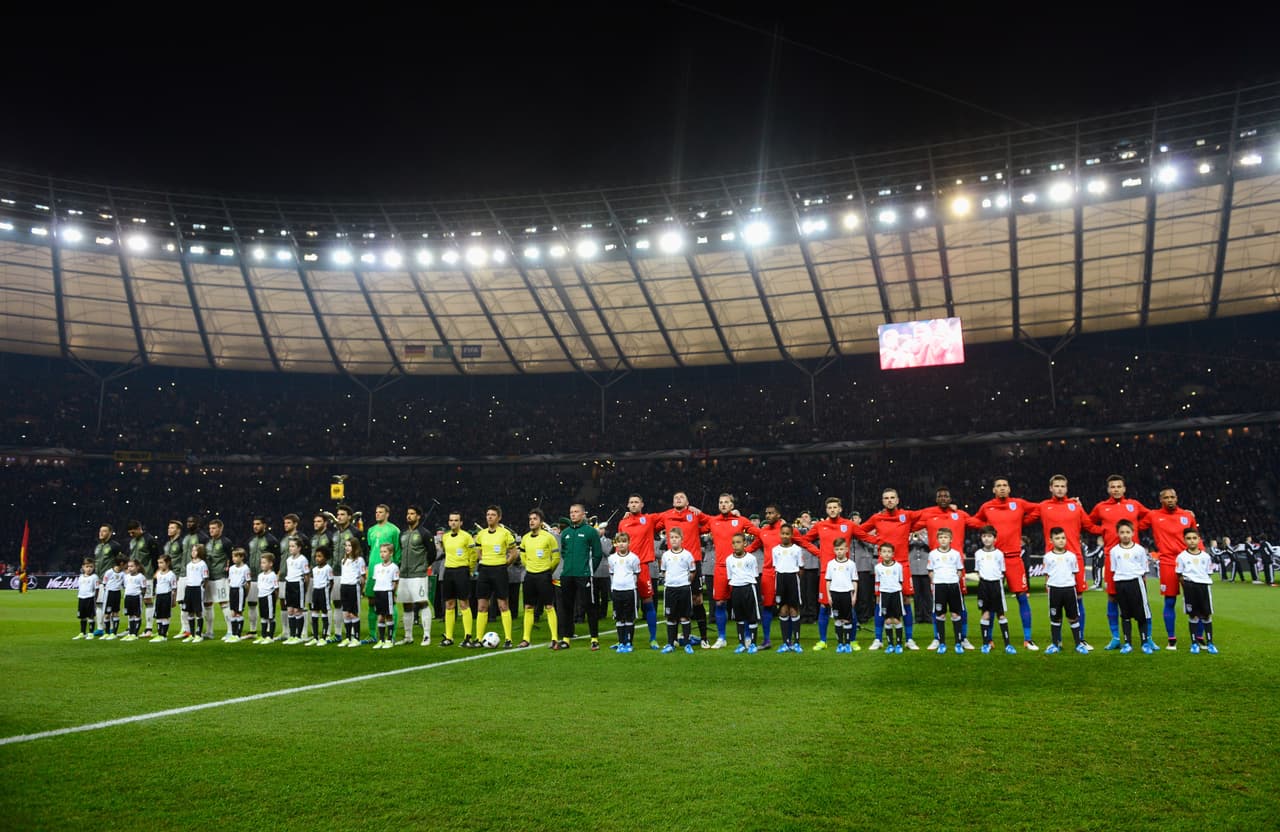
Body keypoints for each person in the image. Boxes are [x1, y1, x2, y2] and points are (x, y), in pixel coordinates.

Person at [967, 477, 1039, 651]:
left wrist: (1023, 521)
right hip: (993, 557)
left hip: (1014, 558)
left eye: (1005, 485)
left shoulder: (1018, 504)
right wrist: (987, 526)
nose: (1002, 488)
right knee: (991, 601)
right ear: (993, 490)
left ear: (1009, 488)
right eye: (998, 486)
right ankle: (989, 640)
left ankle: (1027, 639)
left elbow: (1038, 510)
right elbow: (974, 521)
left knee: (1022, 597)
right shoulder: (987, 506)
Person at [1034, 475, 1103, 650]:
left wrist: (1110, 530)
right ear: (1050, 488)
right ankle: (1056, 641)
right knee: (1055, 601)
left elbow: (1090, 526)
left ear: (1067, 488)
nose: (1059, 489)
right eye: (1056, 486)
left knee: (1078, 599)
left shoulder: (1075, 507)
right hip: (1053, 560)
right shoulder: (1043, 506)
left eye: (1062, 486)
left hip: (1074, 559)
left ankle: (1080, 639)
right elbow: (1023, 518)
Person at [1089, 474, 1150, 650]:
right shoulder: (1101, 507)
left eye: (1119, 486)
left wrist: (1138, 527)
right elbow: (1087, 523)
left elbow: (1150, 516)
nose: (1116, 489)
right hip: (1111, 556)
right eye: (1112, 487)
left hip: (1133, 558)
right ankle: (1116, 637)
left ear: (1124, 488)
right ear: (1108, 489)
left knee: (1141, 598)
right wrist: (1104, 531)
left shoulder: (1134, 505)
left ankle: (1148, 638)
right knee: (1112, 596)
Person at [747, 504, 819, 649]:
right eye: (766, 513)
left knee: (790, 607)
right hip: (768, 573)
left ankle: (791, 640)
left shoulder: (787, 530)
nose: (768, 516)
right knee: (767, 606)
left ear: (778, 514)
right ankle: (767, 640)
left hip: (786, 574)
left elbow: (804, 543)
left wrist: (821, 554)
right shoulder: (763, 531)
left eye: (771, 513)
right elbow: (753, 547)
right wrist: (735, 554)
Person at [805, 496, 870, 651]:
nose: (832, 510)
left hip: (845, 572)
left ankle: (852, 640)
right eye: (830, 508)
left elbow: (866, 537)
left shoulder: (849, 525)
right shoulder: (820, 525)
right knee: (824, 607)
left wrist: (883, 540)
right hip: (826, 572)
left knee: (849, 608)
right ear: (826, 510)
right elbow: (805, 540)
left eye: (835, 507)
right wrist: (819, 552)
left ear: (840, 509)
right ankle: (823, 640)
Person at [857, 489, 919, 651]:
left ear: (898, 500)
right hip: (882, 566)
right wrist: (876, 540)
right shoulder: (877, 517)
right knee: (879, 600)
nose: (889, 500)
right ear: (882, 501)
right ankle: (878, 639)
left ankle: (909, 639)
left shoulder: (907, 515)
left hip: (902, 564)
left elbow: (925, 516)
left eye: (892, 498)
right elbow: (860, 531)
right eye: (886, 498)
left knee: (906, 600)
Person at [1139, 487, 1198, 649]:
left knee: (1195, 601)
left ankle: (1199, 637)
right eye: (1166, 497)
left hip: (1188, 562)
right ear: (1161, 500)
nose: (1170, 500)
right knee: (1170, 601)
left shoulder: (1187, 516)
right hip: (1167, 563)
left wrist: (1202, 557)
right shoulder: (1154, 515)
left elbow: (1196, 538)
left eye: (1172, 497)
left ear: (1177, 498)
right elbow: (1135, 527)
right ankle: (1171, 638)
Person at [703, 493, 763, 649]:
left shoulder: (740, 521)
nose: (723, 504)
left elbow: (760, 534)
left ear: (732, 505)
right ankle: (722, 637)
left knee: (744, 605)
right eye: (720, 502)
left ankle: (748, 637)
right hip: (721, 568)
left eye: (726, 502)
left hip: (739, 568)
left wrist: (747, 550)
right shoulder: (712, 521)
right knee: (720, 603)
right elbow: (695, 528)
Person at [655, 492, 711, 645]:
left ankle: (704, 638)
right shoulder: (666, 515)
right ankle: (674, 638)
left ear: (688, 502)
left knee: (697, 600)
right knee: (676, 601)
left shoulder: (694, 513)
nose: (678, 499)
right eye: (675, 497)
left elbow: (711, 522)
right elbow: (650, 523)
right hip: (673, 563)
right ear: (672, 502)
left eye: (682, 497)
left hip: (693, 561)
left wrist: (700, 527)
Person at [616, 494, 663, 648]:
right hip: (625, 568)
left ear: (642, 504)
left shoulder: (649, 519)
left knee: (648, 603)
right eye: (631, 502)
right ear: (628, 505)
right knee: (624, 605)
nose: (634, 504)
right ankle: (623, 639)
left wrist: (690, 509)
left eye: (637, 502)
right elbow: (619, 543)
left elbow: (669, 515)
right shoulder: (623, 523)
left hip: (642, 567)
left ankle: (653, 638)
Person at [558, 503, 604, 651]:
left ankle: (594, 638)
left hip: (584, 575)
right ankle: (566, 638)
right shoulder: (565, 533)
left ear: (583, 514)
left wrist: (589, 570)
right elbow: (563, 552)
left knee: (589, 606)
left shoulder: (590, 532)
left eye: (576, 512)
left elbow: (597, 554)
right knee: (567, 607)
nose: (573, 514)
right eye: (571, 512)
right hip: (567, 575)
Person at [473, 505, 518, 649]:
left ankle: (508, 639)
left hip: (499, 570)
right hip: (485, 570)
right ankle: (479, 639)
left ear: (499, 517)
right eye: (488, 514)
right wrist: (483, 560)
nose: (489, 517)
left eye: (493, 514)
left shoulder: (505, 534)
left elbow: (514, 553)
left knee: (503, 605)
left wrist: (505, 563)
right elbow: (478, 551)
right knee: (482, 606)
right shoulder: (481, 534)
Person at [1110, 520, 1156, 655]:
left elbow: (1144, 569)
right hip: (1120, 583)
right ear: (1118, 534)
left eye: (1127, 532)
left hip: (1136, 582)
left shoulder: (1139, 550)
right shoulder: (1114, 551)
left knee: (1141, 614)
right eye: (1122, 532)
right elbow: (1114, 569)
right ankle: (1127, 643)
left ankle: (1144, 643)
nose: (1125, 535)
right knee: (1125, 615)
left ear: (1133, 533)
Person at [519, 508, 560, 649]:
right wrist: (529, 566)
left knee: (549, 606)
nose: (531, 521)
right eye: (530, 519)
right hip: (529, 575)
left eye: (534, 519)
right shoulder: (525, 538)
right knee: (528, 607)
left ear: (541, 522)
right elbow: (522, 556)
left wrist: (547, 569)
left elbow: (556, 558)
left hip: (544, 575)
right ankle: (525, 639)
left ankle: (555, 638)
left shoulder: (549, 537)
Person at [1042, 528, 1087, 655]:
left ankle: (1078, 644)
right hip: (1054, 590)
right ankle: (1055, 644)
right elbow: (1047, 575)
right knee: (1055, 618)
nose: (1061, 541)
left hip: (1069, 589)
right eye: (1057, 538)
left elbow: (1074, 572)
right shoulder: (1048, 557)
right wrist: (1048, 588)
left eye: (1063, 538)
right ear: (1051, 540)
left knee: (1073, 617)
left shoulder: (1071, 556)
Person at [1175, 529, 1219, 654]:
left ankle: (1210, 643)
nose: (1192, 541)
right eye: (1189, 538)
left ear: (1199, 540)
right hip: (1190, 588)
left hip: (1204, 587)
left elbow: (1209, 572)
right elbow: (1179, 575)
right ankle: (1194, 643)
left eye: (1194, 538)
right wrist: (1188, 586)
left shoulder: (1205, 556)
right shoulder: (1182, 557)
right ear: (1184, 540)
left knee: (1206, 614)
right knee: (1192, 615)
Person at [398, 505, 437, 646]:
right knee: (406, 605)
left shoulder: (425, 533)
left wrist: (424, 565)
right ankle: (408, 636)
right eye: (408, 513)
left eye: (412, 514)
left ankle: (426, 636)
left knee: (422, 602)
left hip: (418, 574)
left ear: (418, 516)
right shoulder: (402, 534)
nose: (409, 516)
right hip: (404, 574)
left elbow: (432, 553)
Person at [973, 526, 1014, 653]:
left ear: (995, 539)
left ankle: (1008, 644)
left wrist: (999, 583)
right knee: (985, 614)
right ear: (981, 538)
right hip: (984, 586)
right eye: (984, 536)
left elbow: (1002, 571)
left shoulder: (999, 554)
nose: (987, 539)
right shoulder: (978, 553)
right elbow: (978, 571)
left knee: (1000, 615)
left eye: (989, 536)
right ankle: (986, 644)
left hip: (996, 585)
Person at [439, 511, 478, 647]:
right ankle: (449, 637)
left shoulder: (467, 537)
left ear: (461, 523)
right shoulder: (445, 537)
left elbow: (473, 555)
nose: (453, 522)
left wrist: (470, 569)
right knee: (449, 604)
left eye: (456, 520)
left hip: (462, 571)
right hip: (448, 571)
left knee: (463, 604)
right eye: (451, 520)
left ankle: (468, 636)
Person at [364, 504, 401, 641]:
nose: (377, 514)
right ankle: (373, 635)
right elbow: (370, 549)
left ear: (387, 514)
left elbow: (397, 551)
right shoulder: (371, 530)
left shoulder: (394, 530)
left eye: (380, 512)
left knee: (391, 602)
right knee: (372, 601)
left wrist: (394, 568)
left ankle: (392, 635)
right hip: (374, 570)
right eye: (376, 512)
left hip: (388, 571)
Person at [771, 521, 809, 652]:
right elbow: (775, 566)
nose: (785, 536)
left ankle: (796, 642)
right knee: (783, 610)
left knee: (794, 609)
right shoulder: (775, 550)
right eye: (783, 533)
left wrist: (797, 579)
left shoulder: (797, 549)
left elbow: (801, 568)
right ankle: (785, 642)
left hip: (793, 578)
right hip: (780, 579)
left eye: (787, 534)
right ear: (780, 534)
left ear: (792, 535)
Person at [927, 528, 965, 655]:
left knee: (955, 614)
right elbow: (930, 570)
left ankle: (958, 643)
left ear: (951, 539)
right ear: (937, 540)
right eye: (941, 537)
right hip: (939, 587)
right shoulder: (933, 554)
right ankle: (941, 643)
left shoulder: (955, 554)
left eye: (946, 537)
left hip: (953, 586)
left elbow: (960, 570)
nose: (943, 539)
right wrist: (936, 581)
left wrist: (954, 580)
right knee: (940, 615)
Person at [659, 527, 697, 654]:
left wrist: (685, 582)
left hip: (684, 589)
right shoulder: (666, 555)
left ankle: (687, 644)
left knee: (684, 617)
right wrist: (670, 581)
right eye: (672, 538)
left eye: (676, 537)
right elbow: (664, 571)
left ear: (682, 539)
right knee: (671, 617)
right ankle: (670, 644)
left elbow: (692, 572)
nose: (674, 540)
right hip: (670, 589)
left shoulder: (687, 555)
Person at [246, 515, 282, 637]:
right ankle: (253, 630)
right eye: (254, 524)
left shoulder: (271, 540)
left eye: (258, 524)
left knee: (267, 605)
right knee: (251, 604)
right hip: (253, 577)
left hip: (267, 578)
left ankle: (269, 632)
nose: (255, 526)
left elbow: (278, 558)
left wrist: (277, 573)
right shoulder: (251, 540)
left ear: (264, 525)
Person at [726, 533, 761, 654]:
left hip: (749, 588)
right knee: (739, 618)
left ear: (745, 543)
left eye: (738, 542)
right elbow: (730, 576)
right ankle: (741, 644)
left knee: (751, 617)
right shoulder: (729, 559)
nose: (736, 545)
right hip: (736, 589)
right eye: (734, 543)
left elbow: (755, 575)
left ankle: (753, 644)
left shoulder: (751, 558)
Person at [607, 532, 641, 653]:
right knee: (619, 618)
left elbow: (636, 573)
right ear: (616, 543)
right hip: (617, 590)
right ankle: (621, 642)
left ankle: (629, 643)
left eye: (624, 541)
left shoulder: (634, 558)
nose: (621, 544)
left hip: (629, 590)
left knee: (629, 618)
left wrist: (631, 585)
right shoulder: (612, 559)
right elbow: (611, 573)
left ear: (629, 543)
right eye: (619, 541)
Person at [125, 520, 159, 637]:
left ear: (139, 528)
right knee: (133, 600)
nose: (131, 535)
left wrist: (155, 572)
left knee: (148, 600)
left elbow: (155, 557)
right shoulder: (133, 541)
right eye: (130, 533)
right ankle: (131, 627)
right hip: (133, 576)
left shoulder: (149, 539)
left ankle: (149, 629)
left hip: (147, 575)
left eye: (133, 532)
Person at [824, 538, 859, 653]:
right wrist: (829, 596)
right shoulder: (830, 564)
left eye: (841, 549)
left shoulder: (851, 564)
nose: (839, 551)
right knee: (838, 620)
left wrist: (854, 596)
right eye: (837, 549)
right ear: (834, 550)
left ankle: (848, 644)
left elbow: (854, 581)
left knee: (847, 619)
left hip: (847, 594)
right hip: (835, 594)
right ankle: (840, 644)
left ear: (846, 550)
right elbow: (828, 581)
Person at [203, 519, 233, 641]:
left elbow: (232, 558)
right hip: (209, 578)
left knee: (224, 603)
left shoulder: (226, 542)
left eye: (214, 528)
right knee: (207, 604)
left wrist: (229, 571)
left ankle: (231, 631)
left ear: (220, 529)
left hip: (221, 577)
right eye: (210, 528)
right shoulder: (207, 542)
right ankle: (209, 632)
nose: (211, 530)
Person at [874, 543, 905, 654]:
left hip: (896, 594)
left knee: (896, 620)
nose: (886, 554)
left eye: (889, 552)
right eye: (884, 551)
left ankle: (899, 644)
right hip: (884, 595)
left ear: (893, 554)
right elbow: (877, 582)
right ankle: (890, 644)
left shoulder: (898, 566)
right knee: (887, 620)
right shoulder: (878, 567)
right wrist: (878, 596)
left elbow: (901, 581)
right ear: (880, 553)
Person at [177, 516, 205, 639]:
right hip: (185, 575)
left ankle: (202, 632)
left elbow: (205, 577)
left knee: (200, 609)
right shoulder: (185, 538)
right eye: (187, 522)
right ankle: (187, 631)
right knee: (183, 605)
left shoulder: (202, 537)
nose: (189, 524)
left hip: (197, 585)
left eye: (192, 522)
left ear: (198, 523)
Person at [93, 524, 123, 635]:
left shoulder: (115, 546)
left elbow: (120, 561)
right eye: (100, 531)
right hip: (98, 578)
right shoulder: (98, 546)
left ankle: (110, 628)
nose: (101, 533)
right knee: (99, 604)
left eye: (104, 531)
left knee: (108, 605)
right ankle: (100, 628)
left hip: (109, 581)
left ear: (110, 533)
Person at [339, 538, 367, 647]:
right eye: (346, 545)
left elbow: (363, 577)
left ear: (354, 547)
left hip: (353, 587)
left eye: (349, 546)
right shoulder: (343, 561)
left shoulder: (359, 560)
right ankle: (347, 638)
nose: (347, 548)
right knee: (345, 613)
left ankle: (356, 638)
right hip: (344, 587)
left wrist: (361, 590)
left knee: (353, 613)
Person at [371, 542, 400, 649]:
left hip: (387, 592)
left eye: (385, 552)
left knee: (388, 615)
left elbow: (395, 582)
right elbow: (376, 580)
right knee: (380, 616)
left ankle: (390, 639)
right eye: (381, 552)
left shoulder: (394, 567)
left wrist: (393, 593)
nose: (382, 554)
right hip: (378, 592)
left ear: (391, 553)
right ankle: (381, 640)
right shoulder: (377, 567)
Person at [307, 546, 334, 646]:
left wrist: (328, 591)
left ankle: (324, 636)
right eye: (316, 556)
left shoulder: (328, 568)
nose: (317, 558)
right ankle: (315, 636)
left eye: (320, 556)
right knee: (314, 611)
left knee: (324, 612)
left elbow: (331, 582)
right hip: (316, 591)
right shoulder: (314, 569)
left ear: (326, 557)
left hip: (324, 591)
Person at [183, 544, 209, 643]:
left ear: (200, 552)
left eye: (196, 550)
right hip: (189, 588)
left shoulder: (202, 564)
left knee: (198, 611)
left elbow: (206, 578)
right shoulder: (189, 565)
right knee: (189, 611)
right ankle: (192, 634)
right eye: (192, 550)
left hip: (197, 589)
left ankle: (199, 634)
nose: (193, 552)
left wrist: (202, 588)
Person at [225, 548, 251, 642]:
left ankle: (238, 635)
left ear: (242, 557)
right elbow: (229, 580)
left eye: (236, 556)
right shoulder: (231, 568)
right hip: (232, 590)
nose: (234, 558)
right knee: (232, 612)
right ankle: (233, 633)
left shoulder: (245, 568)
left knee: (238, 612)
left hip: (240, 590)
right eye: (233, 556)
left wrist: (245, 594)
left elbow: (248, 582)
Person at [119, 559, 148, 641]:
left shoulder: (141, 577)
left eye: (132, 566)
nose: (130, 568)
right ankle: (130, 633)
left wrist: (141, 596)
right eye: (128, 566)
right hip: (128, 597)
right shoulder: (126, 576)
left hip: (136, 597)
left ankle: (135, 633)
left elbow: (144, 588)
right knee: (130, 615)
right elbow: (125, 586)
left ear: (137, 567)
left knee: (137, 614)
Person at [253, 553, 278, 644]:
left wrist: (275, 599)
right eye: (261, 563)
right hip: (261, 597)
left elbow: (276, 588)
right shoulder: (260, 576)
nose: (262, 565)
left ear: (270, 564)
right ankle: (263, 635)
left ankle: (270, 636)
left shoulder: (272, 575)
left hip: (269, 597)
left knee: (270, 617)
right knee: (263, 616)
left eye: (264, 563)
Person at [152, 554, 177, 641]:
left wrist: (173, 600)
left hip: (166, 596)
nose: (160, 565)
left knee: (165, 616)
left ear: (168, 563)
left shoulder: (171, 575)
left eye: (162, 563)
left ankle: (163, 635)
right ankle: (159, 634)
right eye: (158, 563)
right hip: (159, 596)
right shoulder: (158, 574)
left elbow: (174, 588)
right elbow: (156, 582)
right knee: (158, 616)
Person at [100, 556, 126, 639]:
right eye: (125, 565)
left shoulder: (123, 574)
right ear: (121, 564)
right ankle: (107, 633)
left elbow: (124, 584)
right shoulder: (109, 572)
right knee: (107, 614)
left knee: (115, 613)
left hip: (117, 593)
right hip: (109, 593)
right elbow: (104, 583)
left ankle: (114, 633)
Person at [74, 559, 99, 640]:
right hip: (81, 598)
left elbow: (97, 589)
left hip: (90, 598)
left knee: (90, 616)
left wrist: (95, 599)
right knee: (82, 616)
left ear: (93, 567)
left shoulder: (94, 577)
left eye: (91, 567)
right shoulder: (81, 577)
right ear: (83, 567)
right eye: (87, 566)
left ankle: (91, 633)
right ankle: (82, 633)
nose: (89, 568)